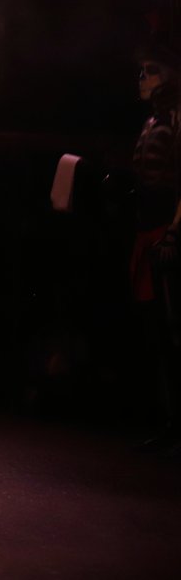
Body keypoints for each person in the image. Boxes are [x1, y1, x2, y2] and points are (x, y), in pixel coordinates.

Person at [128, 38, 181, 452]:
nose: (142, 78)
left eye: (151, 71)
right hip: (147, 230)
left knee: (172, 331)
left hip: (166, 232)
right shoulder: (151, 125)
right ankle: (166, 420)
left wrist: (174, 232)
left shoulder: (176, 124)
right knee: (154, 333)